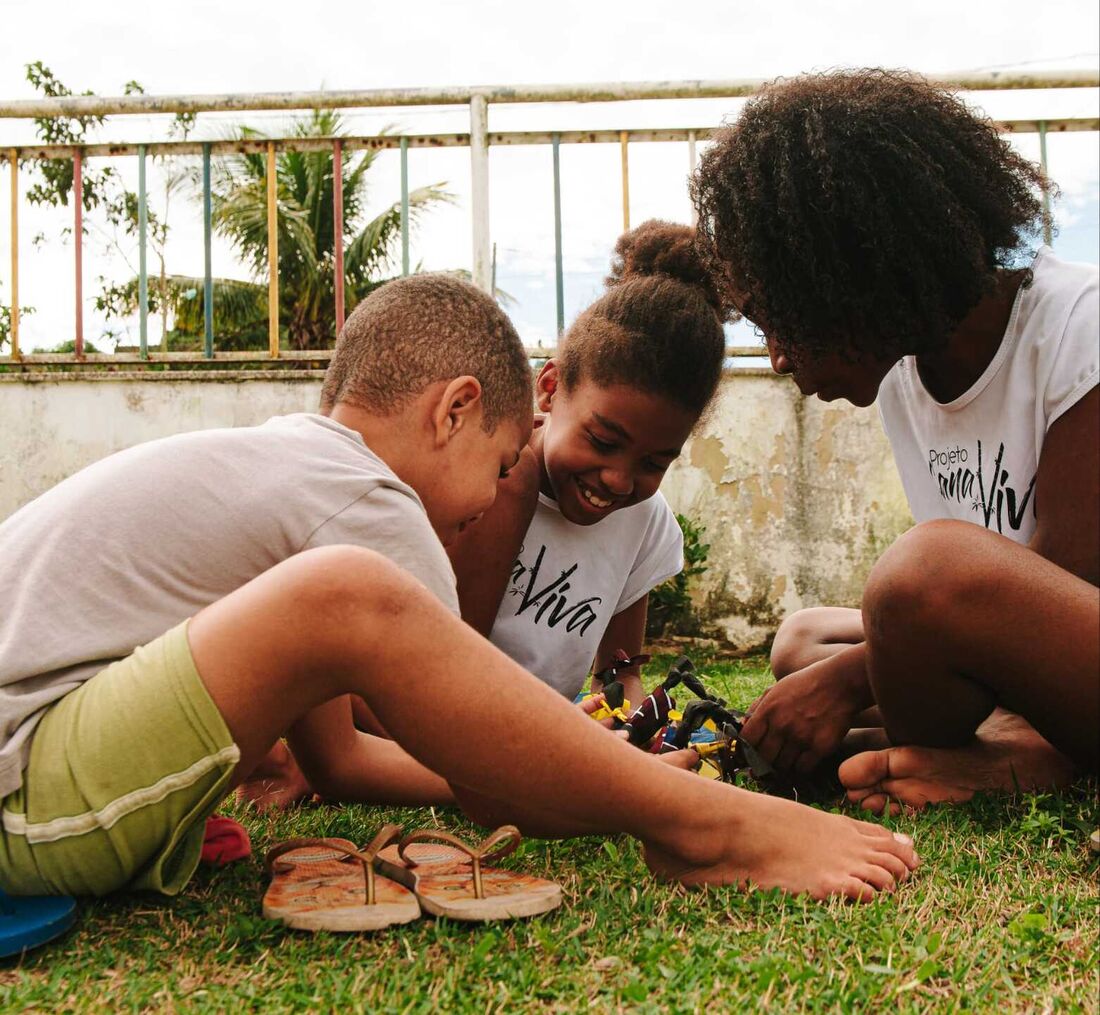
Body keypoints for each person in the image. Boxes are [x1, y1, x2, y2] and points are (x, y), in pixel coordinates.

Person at [0, 272, 918, 903]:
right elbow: (486, 762)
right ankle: (713, 828)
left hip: (43, 774)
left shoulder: (294, 483)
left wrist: (606, 770)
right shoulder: (364, 500)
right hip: (25, 789)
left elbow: (345, 763)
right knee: (349, 588)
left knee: (339, 591)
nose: (493, 500)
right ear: (456, 411)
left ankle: (691, 815)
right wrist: (642, 792)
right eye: (505, 463)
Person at [691, 68, 1099, 814]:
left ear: (851, 274)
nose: (778, 357)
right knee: (803, 640)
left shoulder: (1081, 328)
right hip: (1025, 669)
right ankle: (990, 745)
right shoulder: (908, 383)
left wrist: (848, 683)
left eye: (780, 316)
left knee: (920, 576)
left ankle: (1030, 762)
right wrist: (836, 671)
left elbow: (1064, 587)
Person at [449, 220, 725, 709]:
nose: (619, 480)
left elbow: (620, 673)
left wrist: (627, 713)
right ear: (550, 388)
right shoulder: (488, 483)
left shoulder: (644, 520)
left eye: (655, 461)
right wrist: (559, 739)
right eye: (601, 441)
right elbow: (450, 671)